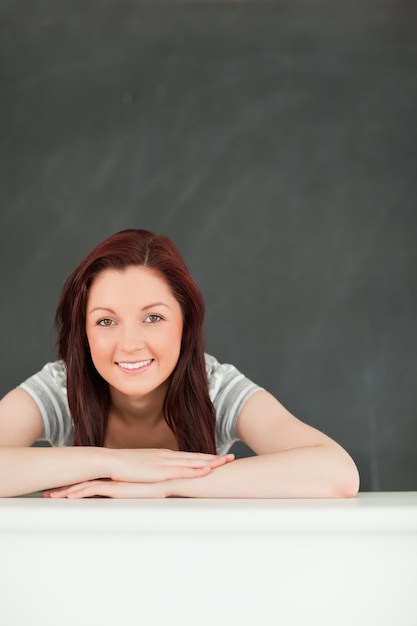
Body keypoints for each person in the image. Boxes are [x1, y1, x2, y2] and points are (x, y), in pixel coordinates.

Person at [0, 229, 359, 498]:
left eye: (153, 318)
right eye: (106, 321)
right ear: (84, 333)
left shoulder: (214, 386)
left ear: (185, 324)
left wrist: (165, 484)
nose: (129, 344)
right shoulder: (62, 386)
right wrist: (113, 463)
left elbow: (337, 473)